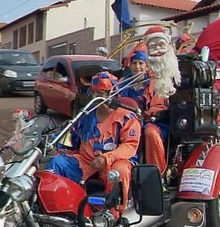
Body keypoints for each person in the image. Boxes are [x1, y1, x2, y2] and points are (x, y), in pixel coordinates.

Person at [46, 71, 141, 211]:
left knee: (119, 171)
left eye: (102, 93)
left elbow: (130, 146)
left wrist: (107, 157)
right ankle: (59, 208)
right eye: (95, 93)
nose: (98, 97)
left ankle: (114, 213)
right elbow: (71, 138)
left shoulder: (127, 117)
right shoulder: (85, 115)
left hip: (114, 161)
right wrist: (52, 143)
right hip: (86, 161)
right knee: (57, 162)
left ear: (112, 93)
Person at [119, 50, 169, 174]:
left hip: (151, 122)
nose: (137, 67)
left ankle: (157, 175)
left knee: (151, 133)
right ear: (129, 65)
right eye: (134, 63)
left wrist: (146, 114)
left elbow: (158, 106)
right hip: (127, 121)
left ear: (147, 66)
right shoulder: (122, 83)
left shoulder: (155, 83)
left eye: (141, 63)